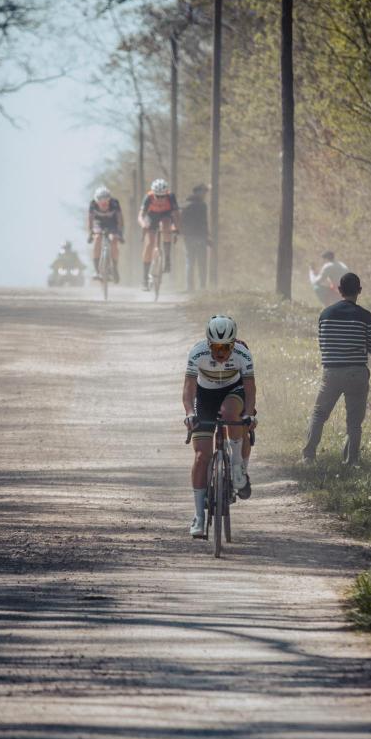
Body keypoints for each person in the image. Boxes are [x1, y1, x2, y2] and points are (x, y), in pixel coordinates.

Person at [182, 315, 257, 539]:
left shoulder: (243, 354)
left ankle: (237, 468)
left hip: (233, 392)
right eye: (215, 347)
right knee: (201, 456)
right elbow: (188, 390)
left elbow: (251, 390)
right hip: (205, 397)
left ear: (234, 344)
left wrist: (249, 415)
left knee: (230, 414)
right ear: (208, 343)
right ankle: (199, 516)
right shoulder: (197, 353)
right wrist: (189, 413)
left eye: (226, 348)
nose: (221, 353)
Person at [302, 272, 371, 468]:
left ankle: (309, 456)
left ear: (339, 290)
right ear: (359, 291)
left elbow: (323, 344)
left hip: (332, 373)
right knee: (354, 422)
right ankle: (351, 462)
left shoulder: (325, 315)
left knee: (319, 414)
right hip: (357, 373)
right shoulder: (366, 316)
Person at [138, 177, 180, 288]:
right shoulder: (148, 197)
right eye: (158, 196)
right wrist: (143, 225)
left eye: (163, 196)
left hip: (166, 214)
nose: (161, 199)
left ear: (166, 193)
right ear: (154, 193)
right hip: (152, 216)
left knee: (166, 225)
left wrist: (176, 229)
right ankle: (144, 278)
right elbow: (140, 216)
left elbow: (176, 214)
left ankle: (167, 259)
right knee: (149, 244)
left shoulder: (171, 197)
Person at [88, 186, 123, 283]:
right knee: (98, 238)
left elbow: (120, 219)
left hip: (112, 223)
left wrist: (120, 233)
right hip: (98, 223)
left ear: (109, 200)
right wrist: (91, 232)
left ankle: (115, 268)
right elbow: (90, 219)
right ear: (96, 201)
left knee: (113, 240)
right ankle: (96, 270)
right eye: (101, 201)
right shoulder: (92, 204)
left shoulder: (115, 203)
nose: (104, 203)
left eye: (106, 201)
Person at [181, 183, 210, 292]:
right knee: (201, 262)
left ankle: (190, 287)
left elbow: (181, 222)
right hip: (200, 237)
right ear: (197, 192)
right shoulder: (202, 205)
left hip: (188, 237)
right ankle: (202, 287)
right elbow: (204, 223)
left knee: (190, 262)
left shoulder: (185, 204)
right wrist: (207, 237)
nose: (205, 194)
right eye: (203, 192)